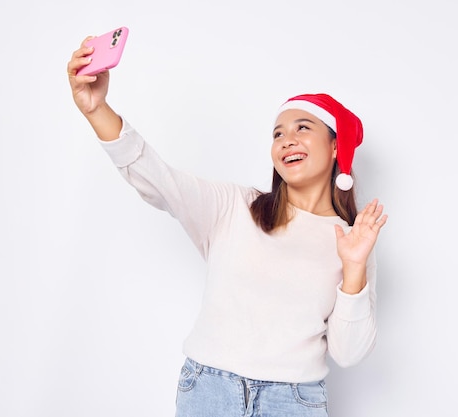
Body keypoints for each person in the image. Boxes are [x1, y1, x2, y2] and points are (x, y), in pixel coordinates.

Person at [67, 36, 388, 417]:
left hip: (294, 402)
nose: (287, 141)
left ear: (337, 147)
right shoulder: (235, 207)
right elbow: (158, 179)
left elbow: (348, 353)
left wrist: (353, 268)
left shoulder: (353, 242)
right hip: (209, 392)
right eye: (278, 133)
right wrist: (96, 109)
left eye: (303, 128)